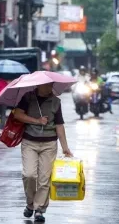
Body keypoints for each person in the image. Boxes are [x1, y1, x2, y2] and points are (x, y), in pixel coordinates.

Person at [12, 83, 73, 223]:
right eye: (47, 85)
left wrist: (65, 147)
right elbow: (18, 114)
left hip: (49, 144)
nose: (50, 88)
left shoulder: (56, 101)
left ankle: (39, 209)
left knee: (44, 180)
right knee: (29, 175)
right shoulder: (28, 97)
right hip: (29, 142)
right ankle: (30, 204)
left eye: (51, 85)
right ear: (39, 85)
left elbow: (59, 125)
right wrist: (37, 121)